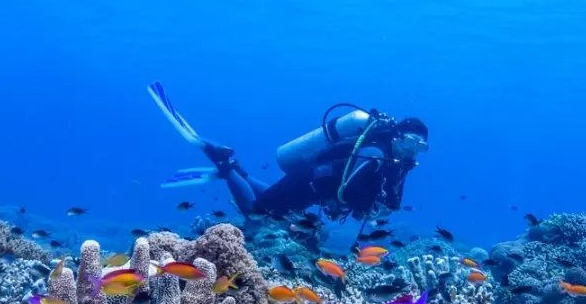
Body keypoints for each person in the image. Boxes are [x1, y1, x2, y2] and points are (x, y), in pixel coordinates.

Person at [148, 82, 428, 223]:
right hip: (309, 182)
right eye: (411, 142)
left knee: (273, 204)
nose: (414, 151)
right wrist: (359, 207)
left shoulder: (395, 162)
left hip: (312, 186)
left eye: (421, 147)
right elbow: (346, 189)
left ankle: (237, 172)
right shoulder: (376, 155)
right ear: (399, 136)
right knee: (256, 212)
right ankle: (223, 161)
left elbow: (388, 198)